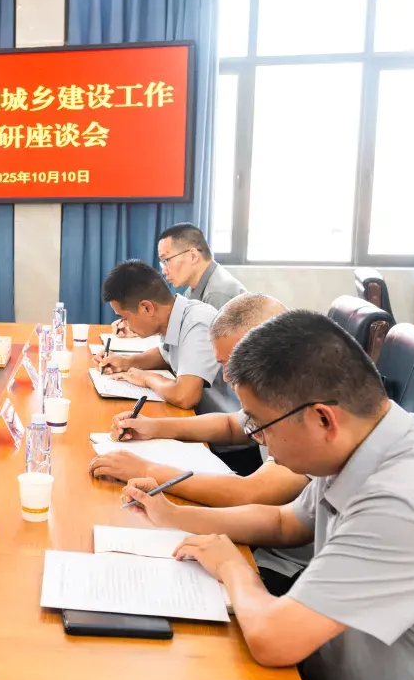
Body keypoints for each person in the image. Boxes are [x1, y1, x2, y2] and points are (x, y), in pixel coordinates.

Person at [121, 311, 414, 680]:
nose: (256, 438)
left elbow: (274, 638)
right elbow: (284, 522)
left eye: (259, 425)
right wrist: (173, 515)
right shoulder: (365, 441)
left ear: (323, 419)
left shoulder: (403, 499)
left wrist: (232, 567)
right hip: (319, 663)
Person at [88, 292, 312, 595]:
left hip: (285, 567)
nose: (225, 377)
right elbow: (232, 425)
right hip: (264, 539)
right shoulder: (278, 391)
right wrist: (155, 427)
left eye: (234, 364)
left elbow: (253, 494)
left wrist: (147, 470)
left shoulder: (305, 412)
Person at [91, 260, 235, 413]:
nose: (124, 325)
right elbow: (166, 355)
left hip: (228, 418)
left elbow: (185, 396)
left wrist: (147, 378)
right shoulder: (174, 317)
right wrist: (126, 362)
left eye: (125, 318)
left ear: (146, 308)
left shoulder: (197, 323)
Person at [110, 223, 246, 337]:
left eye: (166, 260)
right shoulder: (195, 288)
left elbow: (209, 350)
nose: (164, 270)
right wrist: (136, 326)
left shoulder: (217, 293)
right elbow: (181, 331)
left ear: (193, 256)